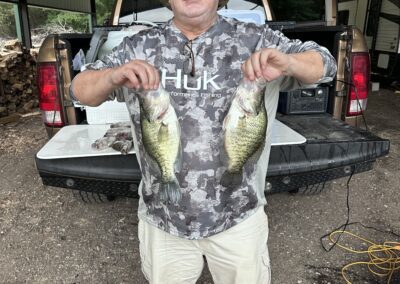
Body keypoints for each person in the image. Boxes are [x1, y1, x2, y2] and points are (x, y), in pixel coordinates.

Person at [72, 0, 337, 283]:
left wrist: (289, 62)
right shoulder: (137, 47)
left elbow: (327, 65)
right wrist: (112, 76)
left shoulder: (258, 40)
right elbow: (79, 91)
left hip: (239, 217)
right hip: (162, 220)